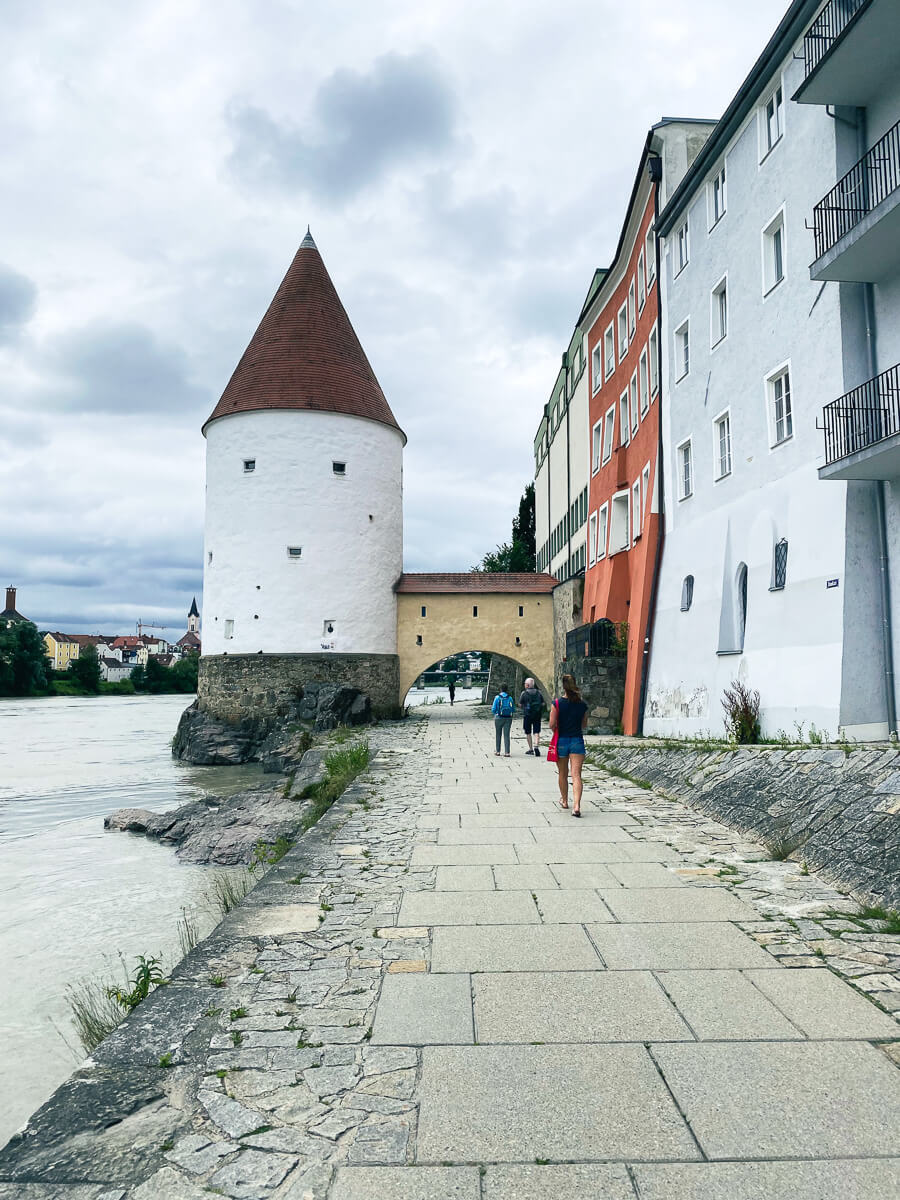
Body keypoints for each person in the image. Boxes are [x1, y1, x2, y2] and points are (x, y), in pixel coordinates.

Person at [549, 673, 588, 816]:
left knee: (563, 773)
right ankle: (577, 805)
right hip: (577, 740)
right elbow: (584, 725)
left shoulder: (557, 704)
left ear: (563, 687)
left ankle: (565, 801)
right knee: (576, 774)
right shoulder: (582, 705)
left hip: (562, 741)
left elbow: (552, 725)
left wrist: (558, 727)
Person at [519, 677, 544, 756]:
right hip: (537, 714)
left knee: (528, 732)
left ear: (528, 685)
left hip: (527, 715)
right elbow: (543, 703)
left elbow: (520, 704)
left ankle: (530, 749)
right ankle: (536, 745)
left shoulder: (524, 693)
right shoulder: (539, 693)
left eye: (525, 684)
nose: (524, 685)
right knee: (536, 731)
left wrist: (524, 706)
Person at [491, 684, 515, 756]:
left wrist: (496, 713)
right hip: (508, 718)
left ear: (500, 689)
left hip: (499, 717)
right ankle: (507, 752)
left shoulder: (497, 698)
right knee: (506, 735)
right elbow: (513, 709)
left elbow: (493, 709)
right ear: (507, 690)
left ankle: (498, 751)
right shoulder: (510, 698)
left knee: (498, 734)